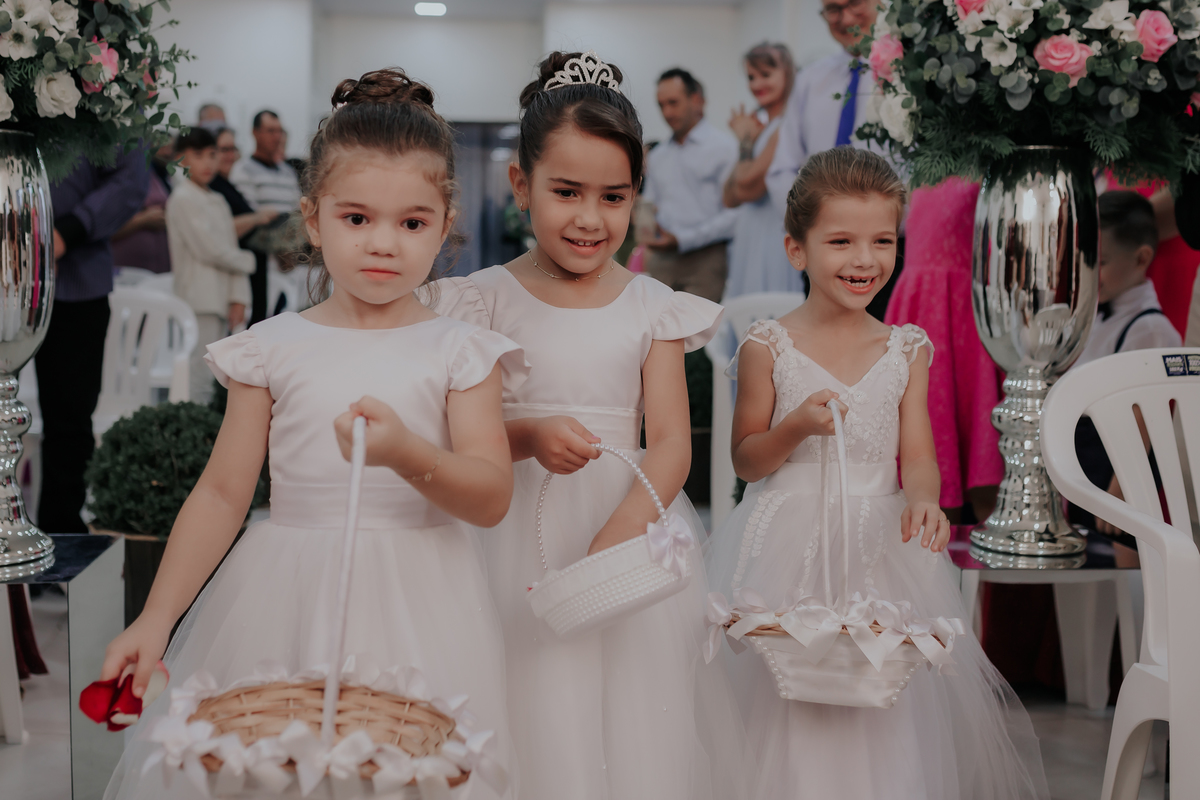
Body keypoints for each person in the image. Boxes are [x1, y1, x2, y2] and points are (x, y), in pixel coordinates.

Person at [99, 68, 524, 800]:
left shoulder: (462, 351)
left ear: (444, 223)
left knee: (409, 772)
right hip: (285, 594)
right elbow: (223, 493)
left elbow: (490, 496)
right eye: (356, 219)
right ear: (313, 219)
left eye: (412, 223)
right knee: (277, 770)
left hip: (425, 601)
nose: (383, 243)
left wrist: (407, 453)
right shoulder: (270, 347)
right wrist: (156, 619)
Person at [435, 51, 751, 800]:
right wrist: (528, 435)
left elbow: (669, 442)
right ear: (521, 184)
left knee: (632, 714)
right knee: (532, 695)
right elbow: (462, 438)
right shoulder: (481, 300)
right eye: (566, 192)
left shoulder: (652, 305)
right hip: (515, 531)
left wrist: (619, 536)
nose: (589, 218)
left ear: (637, 191)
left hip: (626, 526)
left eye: (614, 197)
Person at [704, 148, 1049, 800]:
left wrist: (924, 499)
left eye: (882, 241)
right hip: (789, 544)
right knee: (789, 692)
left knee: (882, 690)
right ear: (797, 249)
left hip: (878, 545)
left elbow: (916, 455)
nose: (864, 259)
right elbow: (746, 459)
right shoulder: (767, 346)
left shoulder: (905, 348)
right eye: (841, 241)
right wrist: (794, 427)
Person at [765, 0, 904, 319]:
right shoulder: (810, 80)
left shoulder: (909, 73)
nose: (845, 17)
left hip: (889, 254)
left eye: (854, 3)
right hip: (820, 250)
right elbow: (782, 168)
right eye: (833, 9)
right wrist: (810, 224)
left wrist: (884, 229)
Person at [39, 151, 149, 533]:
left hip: (76, 277)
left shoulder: (113, 113)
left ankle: (61, 536)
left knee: (69, 420)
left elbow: (130, 179)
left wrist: (68, 230)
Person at [884, 179, 1001, 522]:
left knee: (982, 442)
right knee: (929, 423)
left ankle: (993, 549)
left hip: (968, 309)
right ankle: (929, 545)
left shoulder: (985, 170)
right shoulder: (920, 171)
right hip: (921, 305)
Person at [1071, 191, 1180, 535]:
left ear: (1141, 258)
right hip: (1082, 459)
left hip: (1118, 468)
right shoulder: (1094, 314)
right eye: (1085, 259)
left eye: (1100, 262)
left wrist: (1121, 488)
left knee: (1121, 553)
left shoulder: (1150, 329)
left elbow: (1143, 419)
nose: (1088, 272)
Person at [164, 127, 255, 404]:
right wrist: (249, 261)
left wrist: (238, 296)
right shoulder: (182, 198)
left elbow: (229, 248)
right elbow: (210, 250)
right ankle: (193, 428)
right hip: (198, 299)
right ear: (180, 159)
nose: (207, 162)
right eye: (198, 155)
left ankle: (207, 427)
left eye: (212, 155)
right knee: (198, 375)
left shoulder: (218, 199)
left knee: (217, 375)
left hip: (220, 299)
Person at [640, 67, 738, 303]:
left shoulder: (724, 148)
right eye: (661, 105)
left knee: (698, 327)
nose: (667, 112)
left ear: (696, 100)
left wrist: (684, 239)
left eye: (673, 102)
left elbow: (735, 215)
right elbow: (650, 204)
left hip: (706, 259)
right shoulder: (658, 155)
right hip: (662, 258)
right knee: (656, 324)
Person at [723, 42, 805, 298]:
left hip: (774, 238)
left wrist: (746, 140)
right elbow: (729, 197)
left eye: (766, 75)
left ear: (788, 73)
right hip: (751, 237)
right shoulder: (764, 128)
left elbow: (746, 187)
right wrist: (748, 140)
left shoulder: (787, 124)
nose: (757, 84)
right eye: (751, 77)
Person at [229, 109, 301, 323]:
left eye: (279, 131)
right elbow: (252, 216)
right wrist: (280, 246)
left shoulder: (287, 172)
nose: (276, 136)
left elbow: (297, 212)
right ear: (255, 133)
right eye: (270, 131)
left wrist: (290, 249)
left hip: (287, 261)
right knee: (260, 321)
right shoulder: (243, 170)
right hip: (258, 262)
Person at [110, 169, 171, 274]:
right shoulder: (111, 179)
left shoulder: (150, 173)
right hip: (126, 272)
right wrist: (143, 220)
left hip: (159, 272)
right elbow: (101, 229)